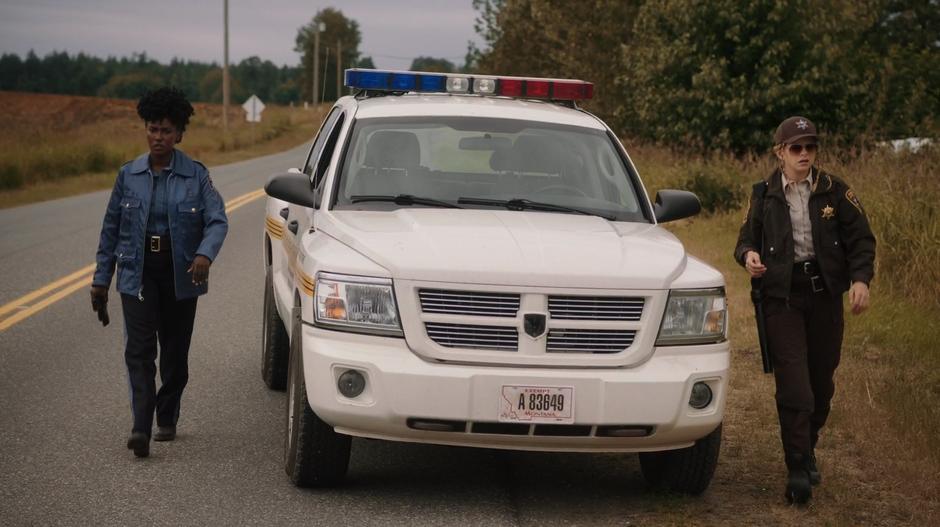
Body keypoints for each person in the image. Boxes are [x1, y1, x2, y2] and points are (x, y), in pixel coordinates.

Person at [734, 116, 875, 504]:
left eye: (810, 147)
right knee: (794, 384)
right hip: (783, 298)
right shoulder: (763, 194)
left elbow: (862, 240)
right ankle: (796, 466)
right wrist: (749, 256)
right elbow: (745, 239)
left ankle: (807, 445)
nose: (804, 154)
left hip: (825, 296)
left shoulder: (834, 191)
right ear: (780, 152)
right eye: (796, 148)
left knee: (821, 383)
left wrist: (860, 280)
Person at [90, 87, 228, 458]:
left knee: (175, 354)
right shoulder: (128, 176)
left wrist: (204, 255)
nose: (158, 137)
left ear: (179, 134)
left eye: (166, 131)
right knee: (139, 352)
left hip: (181, 274)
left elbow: (217, 221)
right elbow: (110, 230)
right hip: (137, 273)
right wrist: (102, 279)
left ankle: (167, 415)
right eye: (153, 129)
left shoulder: (195, 176)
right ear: (145, 130)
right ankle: (140, 427)